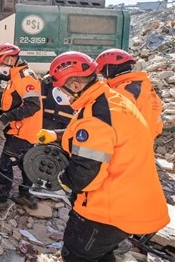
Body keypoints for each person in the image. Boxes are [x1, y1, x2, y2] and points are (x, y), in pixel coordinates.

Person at [41, 51, 170, 262]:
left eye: (59, 88)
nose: (59, 94)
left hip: (108, 209)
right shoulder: (113, 99)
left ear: (74, 85)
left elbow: (85, 176)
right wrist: (57, 135)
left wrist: (62, 180)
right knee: (101, 255)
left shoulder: (95, 117)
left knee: (76, 254)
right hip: (132, 199)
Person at [0, 43, 43, 211]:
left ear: (10, 59)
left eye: (1, 62)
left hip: (22, 132)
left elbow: (32, 105)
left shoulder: (25, 78)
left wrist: (7, 117)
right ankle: (25, 195)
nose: (0, 66)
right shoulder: (17, 76)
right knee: (25, 163)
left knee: (4, 165)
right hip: (22, 130)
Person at [95, 48, 163, 138]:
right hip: (146, 141)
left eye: (102, 71)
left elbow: (113, 123)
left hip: (129, 143)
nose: (103, 75)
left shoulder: (122, 91)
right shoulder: (143, 85)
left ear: (109, 69)